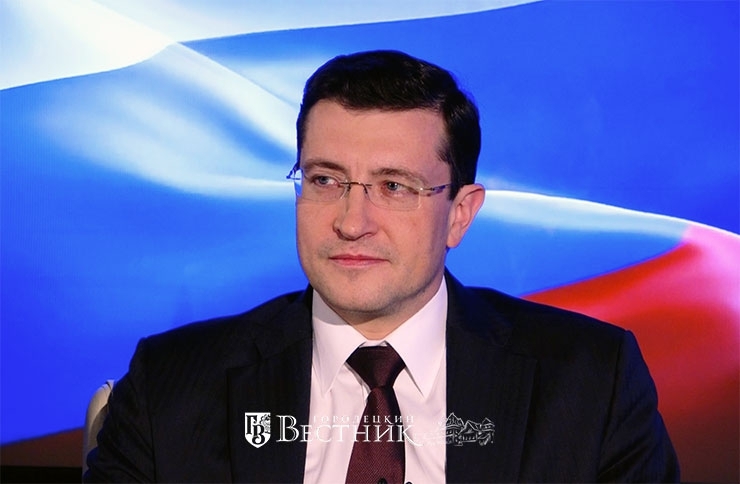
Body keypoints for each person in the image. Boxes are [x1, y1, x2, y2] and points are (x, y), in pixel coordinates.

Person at [85, 50, 679, 483]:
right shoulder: (171, 387)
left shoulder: (589, 383)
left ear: (460, 215)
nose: (352, 222)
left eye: (394, 186)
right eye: (325, 180)